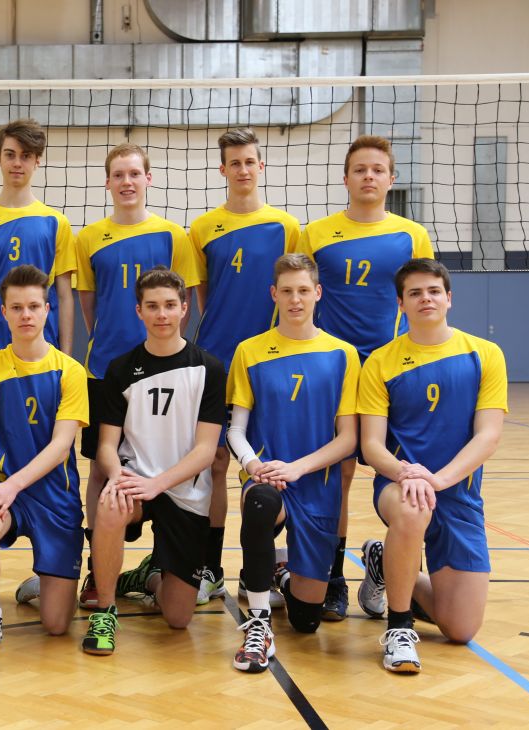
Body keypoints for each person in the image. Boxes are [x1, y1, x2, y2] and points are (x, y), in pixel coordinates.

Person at [297, 135, 434, 621]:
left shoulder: (411, 235)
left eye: (377, 170)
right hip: (333, 370)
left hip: (393, 370)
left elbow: (423, 299)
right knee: (338, 475)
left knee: (404, 472)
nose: (369, 177)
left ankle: (392, 572)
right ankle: (333, 578)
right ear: (346, 178)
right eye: (360, 169)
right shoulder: (316, 233)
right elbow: (301, 297)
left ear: (391, 179)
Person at [355, 258, 506, 673]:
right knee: (412, 507)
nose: (426, 299)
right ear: (400, 303)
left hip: (457, 494)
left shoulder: (484, 354)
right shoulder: (380, 362)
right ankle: (399, 628)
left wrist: (437, 480)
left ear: (449, 298)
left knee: (460, 629)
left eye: (434, 291)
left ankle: (383, 562)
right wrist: (407, 474)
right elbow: (371, 445)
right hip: (398, 487)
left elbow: (488, 436)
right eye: (415, 293)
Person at [75, 143, 200, 609]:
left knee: (168, 459)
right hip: (106, 370)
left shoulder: (173, 235)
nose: (126, 182)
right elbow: (90, 305)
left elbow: (184, 301)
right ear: (108, 182)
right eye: (118, 175)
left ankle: (168, 563)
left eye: (134, 173)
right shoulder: (88, 238)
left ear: (149, 178)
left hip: (166, 371)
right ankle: (98, 569)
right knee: (99, 466)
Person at [0, 119, 77, 609]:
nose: (17, 163)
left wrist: (66, 353)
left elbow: (64, 294)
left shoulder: (55, 222)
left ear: (37, 162)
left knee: (50, 451)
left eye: (26, 156)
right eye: (10, 154)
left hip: (43, 361)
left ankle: (49, 564)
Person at [226, 254, 360, 673]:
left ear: (318, 293)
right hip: (268, 480)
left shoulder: (343, 354)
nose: (295, 299)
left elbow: (348, 438)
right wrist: (253, 465)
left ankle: (280, 572)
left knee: (306, 622)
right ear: (274, 294)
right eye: (287, 291)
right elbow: (235, 430)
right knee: (260, 502)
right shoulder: (249, 351)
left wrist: (298, 468)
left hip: (317, 485)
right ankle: (259, 622)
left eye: (303, 290)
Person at [81, 267, 224, 656]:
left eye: (170, 305)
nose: (162, 314)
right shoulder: (120, 369)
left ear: (185, 308)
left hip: (183, 492)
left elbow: (205, 450)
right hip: (135, 480)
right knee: (111, 503)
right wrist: (118, 476)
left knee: (178, 617)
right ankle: (105, 611)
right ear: (139, 311)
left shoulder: (209, 369)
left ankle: (148, 578)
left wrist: (157, 483)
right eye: (153, 306)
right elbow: (107, 446)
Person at [190, 128, 301, 606]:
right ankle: (211, 569)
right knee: (214, 462)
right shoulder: (201, 228)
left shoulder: (286, 226)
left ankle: (274, 567)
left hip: (272, 362)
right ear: (223, 169)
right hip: (216, 359)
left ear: (261, 166)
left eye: (249, 161)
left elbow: (295, 290)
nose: (242, 169)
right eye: (234, 162)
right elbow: (204, 298)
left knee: (276, 462)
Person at [0, 265, 88, 657]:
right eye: (16, 308)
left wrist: (12, 485)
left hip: (55, 498)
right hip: (6, 493)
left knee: (56, 625)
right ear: (3, 312)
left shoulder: (70, 371)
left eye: (34, 306)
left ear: (48, 309)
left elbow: (61, 445)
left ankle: (45, 583)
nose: (26, 315)